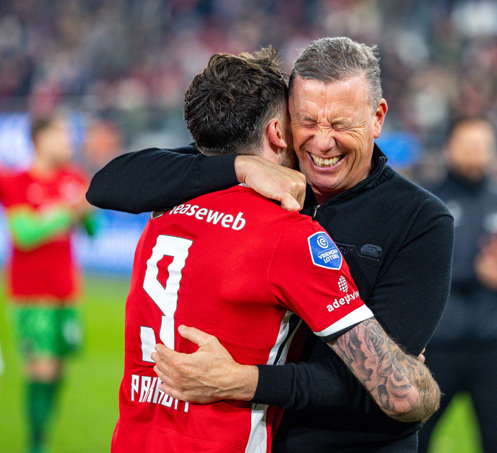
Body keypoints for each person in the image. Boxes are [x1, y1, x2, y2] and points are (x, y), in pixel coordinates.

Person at [88, 37, 454, 452]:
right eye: (307, 121)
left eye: (340, 125)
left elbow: (381, 388)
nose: (322, 142)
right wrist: (241, 166)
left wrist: (246, 380)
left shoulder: (420, 220)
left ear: (377, 118)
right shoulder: (258, 173)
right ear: (283, 126)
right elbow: (110, 184)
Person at [418, 117, 497, 453]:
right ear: (448, 148)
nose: (476, 153)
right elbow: (416, 266)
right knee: (415, 438)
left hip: (491, 344)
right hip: (439, 345)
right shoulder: (427, 201)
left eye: (483, 146)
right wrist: (476, 271)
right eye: (468, 145)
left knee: (496, 441)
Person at [1, 114, 98, 453]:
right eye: (62, 135)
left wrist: (88, 211)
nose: (69, 142)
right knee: (40, 369)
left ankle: (42, 433)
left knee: (57, 371)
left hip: (66, 292)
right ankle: (36, 442)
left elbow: (93, 231)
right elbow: (24, 235)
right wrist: (67, 211)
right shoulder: (17, 181)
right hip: (31, 294)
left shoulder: (74, 177)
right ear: (41, 140)